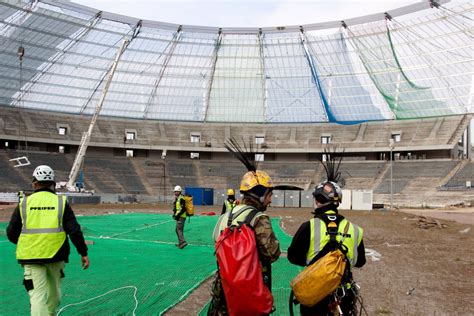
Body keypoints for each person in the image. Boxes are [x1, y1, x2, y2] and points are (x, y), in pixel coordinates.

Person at [208, 139, 281, 315]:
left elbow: (215, 241)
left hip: (224, 288)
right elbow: (272, 254)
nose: (270, 200)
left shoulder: (227, 215)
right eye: (269, 195)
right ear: (262, 195)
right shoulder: (259, 218)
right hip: (250, 289)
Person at [288, 152, 366, 315]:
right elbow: (360, 262)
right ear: (338, 202)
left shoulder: (308, 226)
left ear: (317, 200)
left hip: (315, 295)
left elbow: (293, 257)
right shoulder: (355, 230)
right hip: (343, 297)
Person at [6, 165, 90, 316]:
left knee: (38, 297)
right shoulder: (61, 202)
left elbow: (11, 233)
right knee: (54, 296)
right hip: (56, 256)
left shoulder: (24, 203)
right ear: (53, 183)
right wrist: (83, 253)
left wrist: (26, 243)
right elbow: (75, 231)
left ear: (34, 183)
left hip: (31, 257)